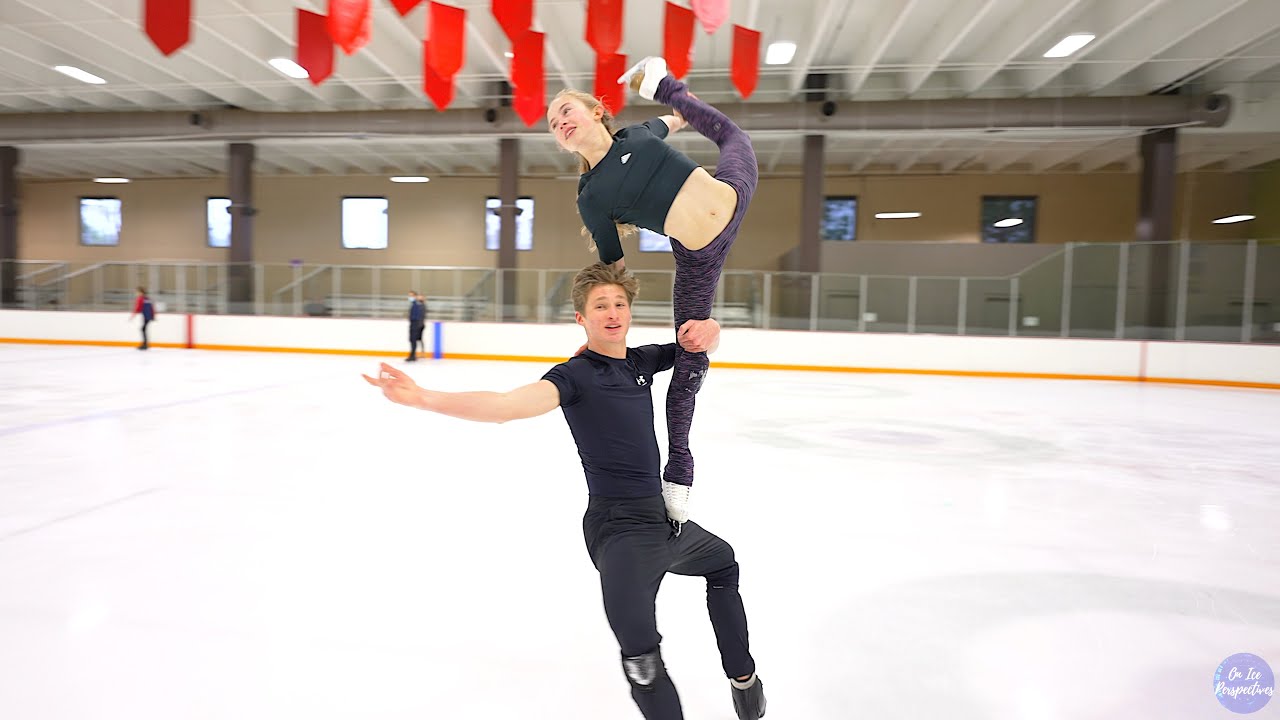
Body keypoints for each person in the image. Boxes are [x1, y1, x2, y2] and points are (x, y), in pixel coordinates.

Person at [362, 263, 766, 720]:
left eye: (619, 304)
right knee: (643, 662)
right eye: (600, 306)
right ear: (581, 318)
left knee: (724, 563)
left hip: (663, 522)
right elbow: (504, 406)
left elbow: (693, 345)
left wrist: (711, 331)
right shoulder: (575, 376)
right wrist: (423, 397)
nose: (612, 313)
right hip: (621, 532)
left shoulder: (640, 362)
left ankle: (743, 678)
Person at [546, 56, 759, 521]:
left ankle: (663, 81)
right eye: (552, 122)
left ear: (596, 112)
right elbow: (614, 273)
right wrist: (598, 339)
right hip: (698, 255)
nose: (560, 121)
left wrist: (674, 101)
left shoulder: (641, 134)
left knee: (736, 137)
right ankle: (679, 471)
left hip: (733, 192)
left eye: (566, 111)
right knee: (689, 351)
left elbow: (685, 116)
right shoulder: (591, 196)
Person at [128, 286, 156, 350]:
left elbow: (138, 308)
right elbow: (152, 308)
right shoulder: (147, 298)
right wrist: (153, 316)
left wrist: (133, 315)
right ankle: (145, 344)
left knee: (142, 329)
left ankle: (145, 345)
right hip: (148, 316)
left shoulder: (140, 298)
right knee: (143, 329)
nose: (136, 293)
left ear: (140, 292)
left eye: (137, 292)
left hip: (146, 316)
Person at [406, 290, 426, 362]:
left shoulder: (418, 304)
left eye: (411, 296)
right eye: (409, 296)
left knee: (414, 340)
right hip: (414, 324)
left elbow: (419, 316)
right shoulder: (414, 304)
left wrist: (418, 325)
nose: (410, 297)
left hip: (416, 324)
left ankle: (413, 355)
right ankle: (412, 355)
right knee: (412, 340)